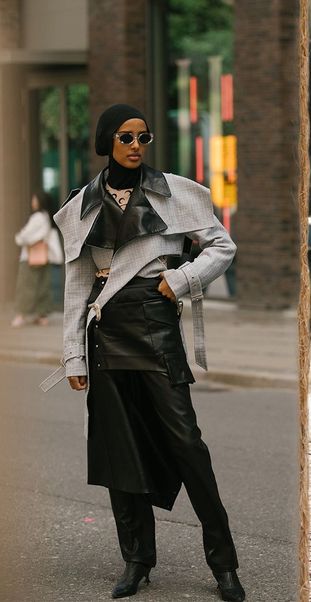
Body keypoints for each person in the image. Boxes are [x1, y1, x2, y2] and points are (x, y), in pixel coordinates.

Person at [40, 104, 245, 601]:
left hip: (155, 325)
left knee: (188, 446)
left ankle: (224, 564)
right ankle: (136, 560)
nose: (136, 145)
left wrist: (182, 279)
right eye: (126, 136)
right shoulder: (80, 206)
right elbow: (76, 284)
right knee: (120, 450)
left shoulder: (176, 192)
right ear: (107, 140)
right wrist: (73, 355)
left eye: (144, 137)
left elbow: (222, 245)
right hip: (104, 333)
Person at [12, 191, 58, 327]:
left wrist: (18, 238)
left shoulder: (37, 217)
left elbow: (24, 237)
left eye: (34, 199)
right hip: (43, 256)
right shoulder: (46, 217)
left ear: (39, 201)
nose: (32, 202)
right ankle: (41, 315)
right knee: (42, 286)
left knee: (26, 286)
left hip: (30, 257)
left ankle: (21, 315)